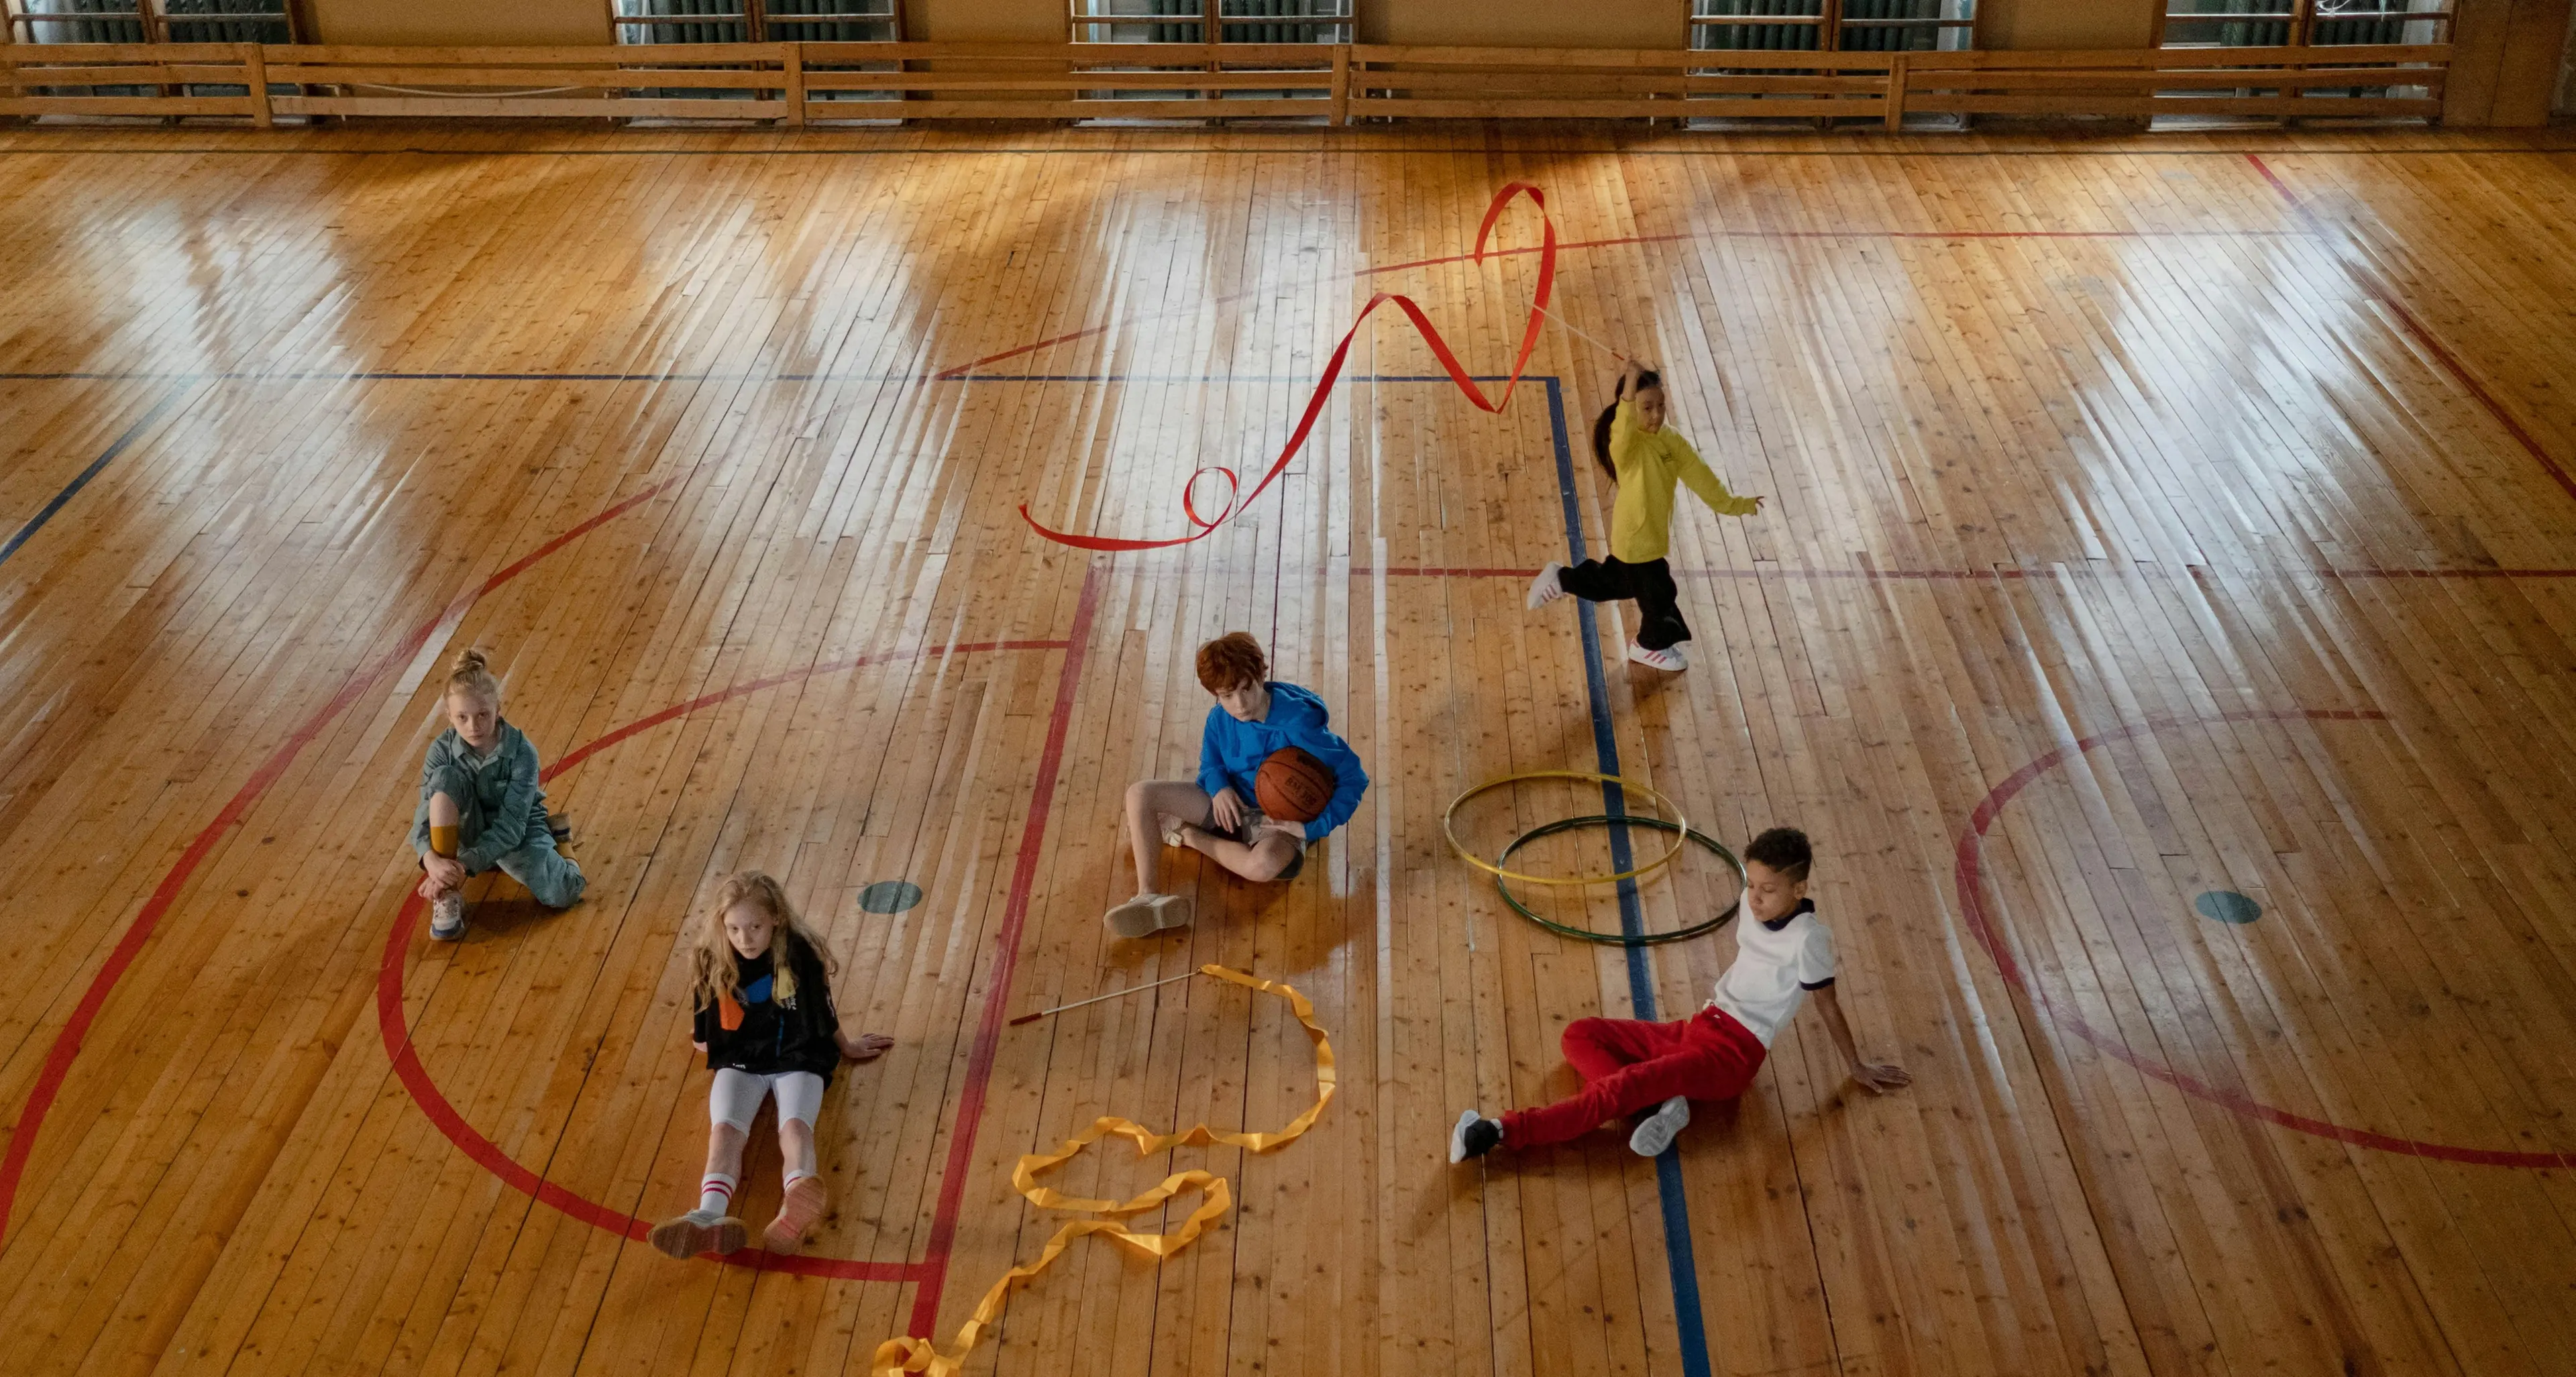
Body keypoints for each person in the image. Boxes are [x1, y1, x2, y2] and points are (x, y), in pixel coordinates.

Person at [1448, 827, 1907, 1162]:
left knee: (1621, 1086)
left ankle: (1498, 1132)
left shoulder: (1810, 939)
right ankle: (1661, 1106)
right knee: (1580, 1034)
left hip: (1731, 1056)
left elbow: (1827, 1003)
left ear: (1799, 888)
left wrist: (1856, 1065)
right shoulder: (1753, 906)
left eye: (1768, 890)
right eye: (1751, 885)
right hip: (1699, 1026)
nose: (1754, 898)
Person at [649, 871, 894, 1260]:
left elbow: (822, 1011)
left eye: (755, 927)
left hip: (798, 1057)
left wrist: (847, 1046)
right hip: (740, 1062)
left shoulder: (800, 955)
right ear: (722, 925)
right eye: (734, 929)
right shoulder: (711, 957)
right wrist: (705, 1036)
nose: (744, 939)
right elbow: (704, 1014)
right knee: (725, 1133)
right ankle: (708, 1216)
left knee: (795, 1128)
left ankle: (796, 1199)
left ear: (776, 919)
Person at [1107, 632, 1368, 938]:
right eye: (1227, 695)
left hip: (1278, 820)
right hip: (1232, 806)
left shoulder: (1300, 724)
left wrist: (1312, 828)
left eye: (1247, 689)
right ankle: (1147, 897)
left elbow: (1354, 777)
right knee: (1140, 794)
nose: (1240, 704)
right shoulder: (1219, 718)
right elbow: (1210, 764)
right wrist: (1219, 788)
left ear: (1261, 677)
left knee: (1262, 867)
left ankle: (1186, 834)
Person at [1525, 359, 1765, 673]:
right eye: (1647, 408)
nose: (1656, 415)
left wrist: (1735, 504)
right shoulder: (1627, 447)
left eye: (1661, 406)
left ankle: (1563, 579)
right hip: (1636, 536)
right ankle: (1649, 645)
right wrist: (1630, 380)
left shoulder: (1671, 441)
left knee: (1617, 584)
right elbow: (1623, 427)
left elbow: (1702, 478)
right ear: (1631, 409)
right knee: (1658, 594)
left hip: (1652, 537)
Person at [410, 647, 584, 941]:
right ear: (449, 715)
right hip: (467, 832)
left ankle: (562, 842)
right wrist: (431, 861)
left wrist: (463, 865)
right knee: (443, 779)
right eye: (462, 717)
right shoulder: (440, 750)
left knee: (563, 893)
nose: (474, 726)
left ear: (498, 709)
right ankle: (447, 894)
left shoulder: (522, 752)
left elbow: (512, 827)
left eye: (483, 715)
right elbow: (423, 815)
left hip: (514, 833)